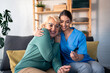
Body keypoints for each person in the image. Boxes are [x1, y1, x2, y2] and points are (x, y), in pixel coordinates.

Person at [35, 10, 105, 73]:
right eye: (62, 22)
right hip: (68, 62)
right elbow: (46, 30)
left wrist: (77, 57)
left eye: (67, 22)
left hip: (85, 59)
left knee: (99, 69)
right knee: (86, 67)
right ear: (59, 22)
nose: (64, 25)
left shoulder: (80, 35)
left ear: (71, 22)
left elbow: (82, 55)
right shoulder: (57, 33)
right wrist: (36, 32)